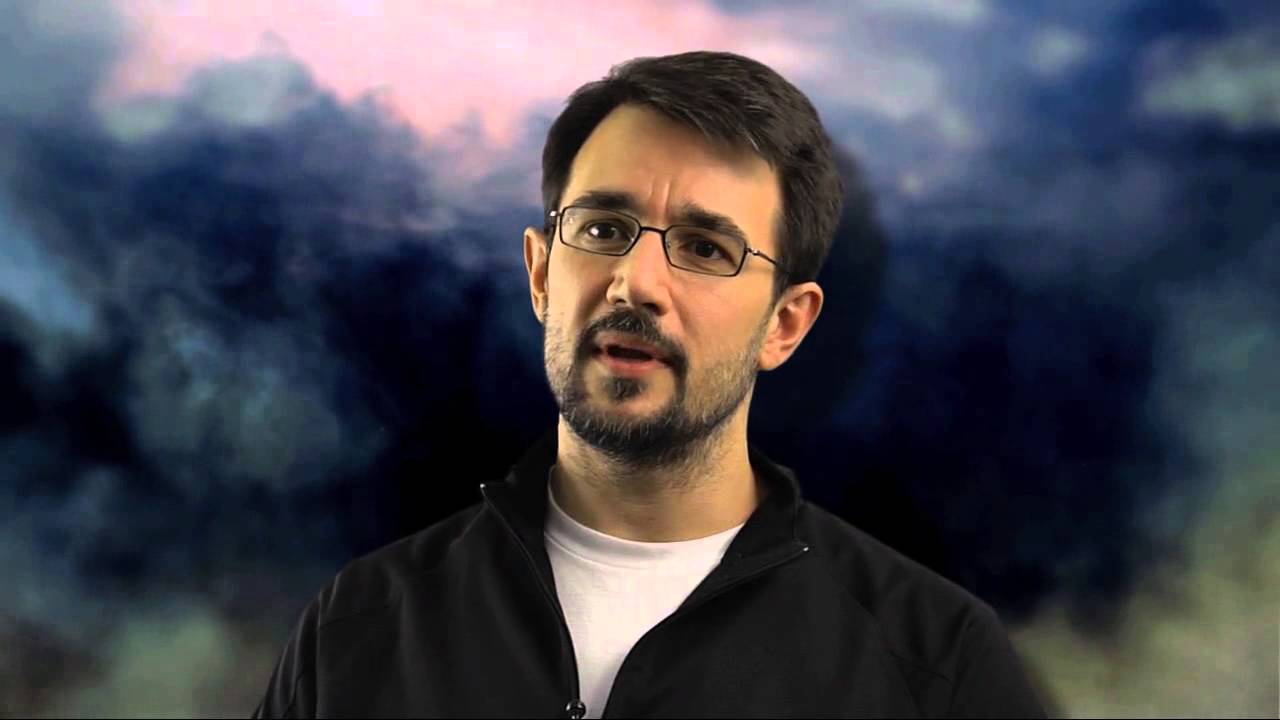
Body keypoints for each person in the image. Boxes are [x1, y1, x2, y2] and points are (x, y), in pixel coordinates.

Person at [253, 50, 1049, 719]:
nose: (635, 282)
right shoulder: (360, 630)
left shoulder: (935, 665)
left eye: (705, 248)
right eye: (603, 229)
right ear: (540, 274)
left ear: (785, 324)